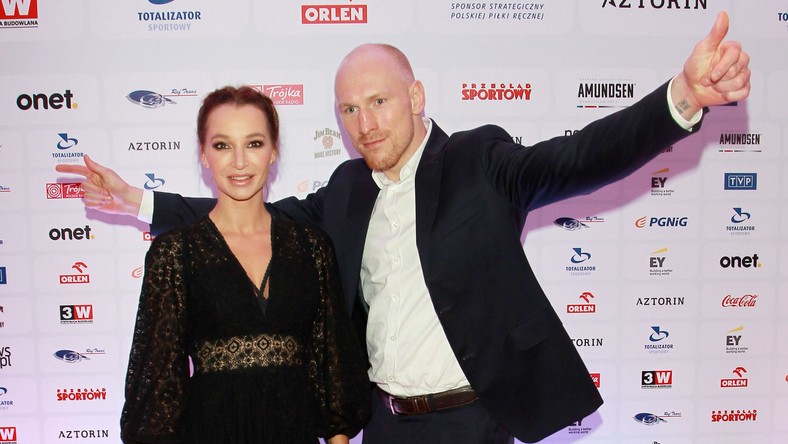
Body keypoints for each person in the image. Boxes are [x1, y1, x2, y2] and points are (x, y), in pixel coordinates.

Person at [57, 12, 750, 444]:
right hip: (384, 424)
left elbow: (578, 157)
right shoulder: (346, 189)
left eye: (379, 102)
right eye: (349, 110)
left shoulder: (479, 161)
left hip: (472, 422)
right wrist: (140, 202)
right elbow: (249, 218)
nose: (365, 124)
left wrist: (681, 98)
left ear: (416, 97)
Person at [117, 86, 369, 444]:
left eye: (254, 143)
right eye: (222, 145)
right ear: (204, 154)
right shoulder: (175, 253)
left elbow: (333, 368)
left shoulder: (311, 248)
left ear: (273, 151)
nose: (239, 161)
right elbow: (158, 382)